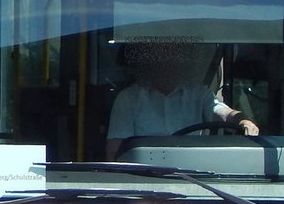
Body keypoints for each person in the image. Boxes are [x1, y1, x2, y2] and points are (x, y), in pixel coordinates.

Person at [106, 41, 259, 159]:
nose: (167, 65)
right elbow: (114, 152)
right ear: (150, 63)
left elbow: (223, 113)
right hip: (144, 180)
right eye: (161, 59)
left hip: (193, 179)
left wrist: (243, 120)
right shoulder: (129, 98)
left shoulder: (199, 95)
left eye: (172, 59)